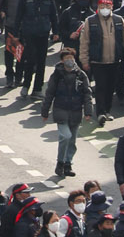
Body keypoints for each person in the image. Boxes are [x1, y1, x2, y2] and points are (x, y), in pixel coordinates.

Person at [40, 48, 93, 180]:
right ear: (62, 61)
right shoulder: (57, 75)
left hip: (75, 111)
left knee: (72, 140)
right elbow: (50, 93)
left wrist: (88, 111)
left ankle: (68, 163)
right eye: (66, 58)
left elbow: (87, 93)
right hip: (61, 110)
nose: (70, 61)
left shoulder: (81, 75)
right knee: (65, 135)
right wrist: (45, 111)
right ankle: (60, 162)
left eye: (71, 58)